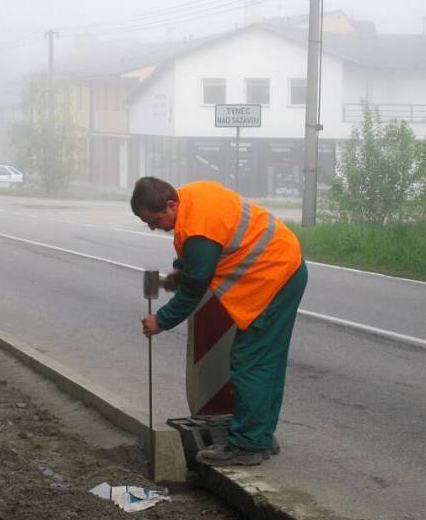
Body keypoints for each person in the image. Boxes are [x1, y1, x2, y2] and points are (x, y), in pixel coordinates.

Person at [131, 177, 307, 467]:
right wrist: (180, 271)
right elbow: (195, 251)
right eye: (147, 223)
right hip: (285, 267)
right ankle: (260, 435)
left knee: (250, 361)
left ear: (171, 204)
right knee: (266, 362)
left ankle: (247, 445)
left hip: (274, 276)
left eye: (155, 219)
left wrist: (159, 321)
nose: (153, 227)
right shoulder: (189, 197)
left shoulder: (199, 227)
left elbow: (193, 290)